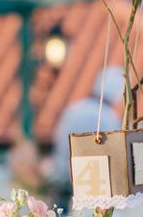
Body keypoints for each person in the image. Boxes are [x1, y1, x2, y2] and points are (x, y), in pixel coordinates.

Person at [51, 66, 125, 203]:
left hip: (63, 181)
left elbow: (59, 145)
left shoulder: (73, 109)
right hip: (93, 190)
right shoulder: (108, 118)